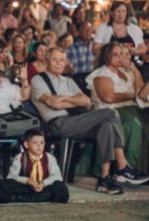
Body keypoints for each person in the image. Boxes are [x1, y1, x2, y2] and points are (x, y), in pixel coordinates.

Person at [30, 47, 147, 195]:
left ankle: (104, 179)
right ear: (47, 60)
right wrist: (72, 101)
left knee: (106, 125)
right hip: (57, 123)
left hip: (77, 120)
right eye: (54, 59)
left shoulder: (68, 81)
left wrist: (64, 98)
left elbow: (86, 101)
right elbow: (53, 104)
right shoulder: (38, 80)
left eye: (61, 60)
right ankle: (122, 166)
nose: (59, 63)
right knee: (111, 113)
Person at [86, 43, 149, 175]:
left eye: (122, 54)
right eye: (115, 54)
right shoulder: (102, 73)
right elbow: (108, 97)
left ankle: (142, 169)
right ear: (106, 56)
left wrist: (135, 71)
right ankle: (126, 167)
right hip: (110, 110)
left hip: (132, 108)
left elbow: (140, 93)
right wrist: (130, 96)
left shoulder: (127, 72)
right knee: (133, 125)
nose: (120, 57)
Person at [7, 129, 69, 203]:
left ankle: (23, 198)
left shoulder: (50, 157)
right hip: (27, 187)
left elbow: (57, 176)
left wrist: (43, 183)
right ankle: (42, 198)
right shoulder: (20, 157)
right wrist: (27, 181)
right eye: (35, 143)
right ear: (26, 144)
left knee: (60, 186)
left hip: (44, 188)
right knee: (9, 183)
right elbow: (11, 176)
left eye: (42, 143)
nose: (39, 146)